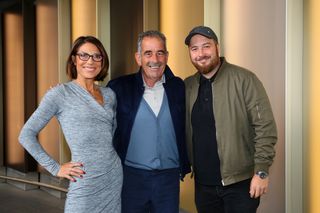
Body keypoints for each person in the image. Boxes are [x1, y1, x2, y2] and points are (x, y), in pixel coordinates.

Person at [19, 36, 122, 213]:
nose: (90, 61)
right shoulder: (60, 94)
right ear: (74, 59)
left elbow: (111, 136)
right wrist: (55, 168)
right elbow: (26, 135)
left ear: (102, 61)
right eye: (84, 55)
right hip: (84, 179)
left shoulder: (110, 95)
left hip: (113, 176)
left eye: (97, 56)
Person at [184, 26, 277, 213]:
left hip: (240, 184)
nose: (201, 53)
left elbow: (265, 127)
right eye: (194, 49)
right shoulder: (188, 86)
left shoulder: (244, 79)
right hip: (203, 185)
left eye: (206, 46)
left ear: (217, 47)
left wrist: (261, 171)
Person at [107, 30, 190, 213]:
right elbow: (95, 106)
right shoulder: (119, 87)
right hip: (131, 178)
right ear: (138, 58)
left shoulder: (179, 88)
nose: (155, 59)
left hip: (168, 179)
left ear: (167, 56)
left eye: (160, 52)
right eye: (148, 53)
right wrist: (70, 90)